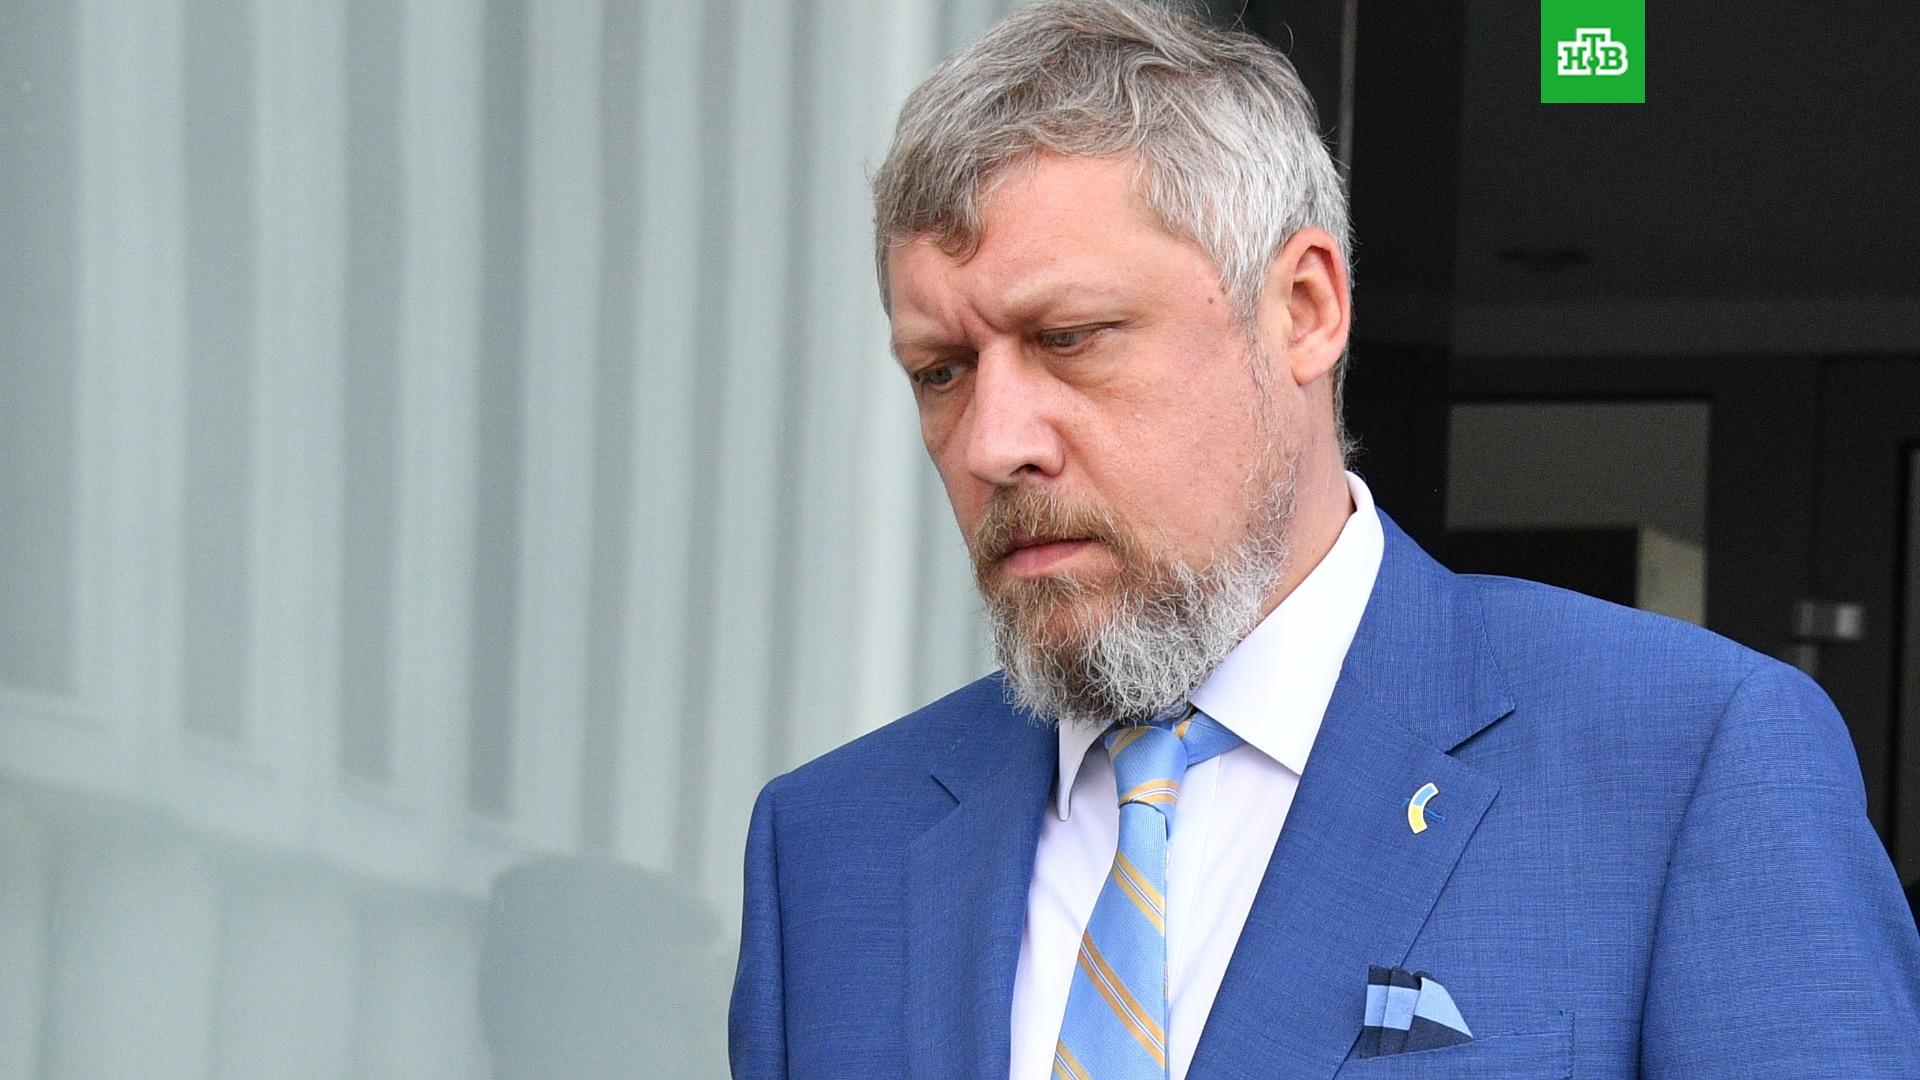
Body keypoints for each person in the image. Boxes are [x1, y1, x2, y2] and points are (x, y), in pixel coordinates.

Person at [728, 1, 1920, 1076]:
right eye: (941, 370)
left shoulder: (1686, 764)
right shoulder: (829, 849)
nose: (994, 442)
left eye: (1071, 339)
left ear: (1303, 310)